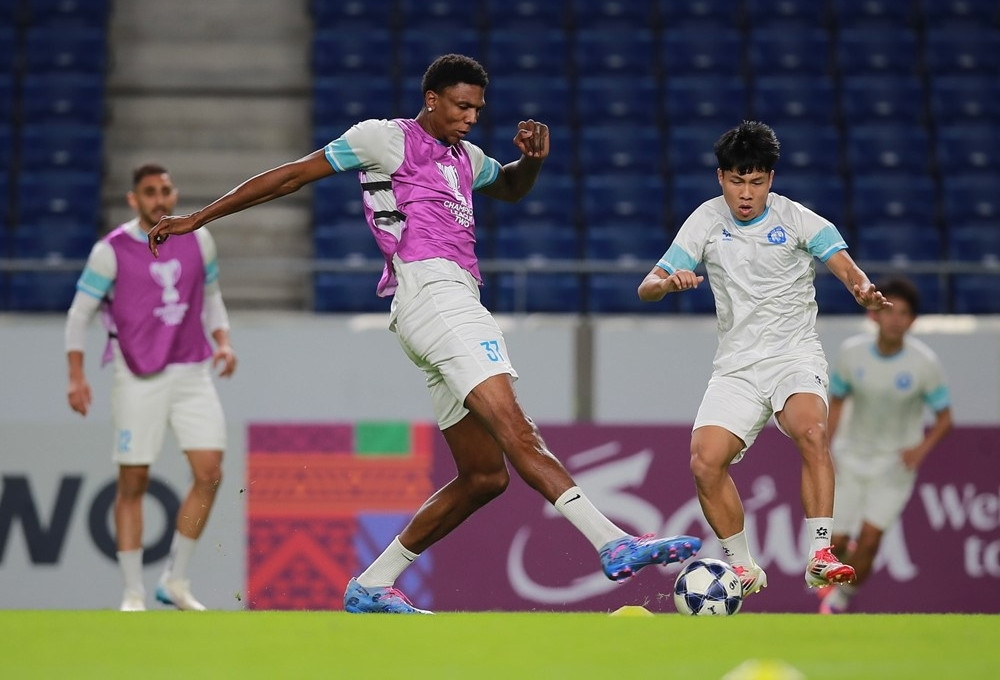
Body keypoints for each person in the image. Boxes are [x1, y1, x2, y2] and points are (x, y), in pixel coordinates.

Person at [146, 54, 700, 614]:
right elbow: (292, 175)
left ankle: (372, 584)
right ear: (431, 99)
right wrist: (199, 218)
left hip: (444, 304)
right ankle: (611, 542)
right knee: (516, 426)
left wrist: (530, 163)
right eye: (461, 106)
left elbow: (510, 187)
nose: (470, 117)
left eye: (477, 109)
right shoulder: (383, 139)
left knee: (485, 476)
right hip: (435, 295)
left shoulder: (467, 157)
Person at [637, 120, 891, 598]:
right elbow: (646, 287)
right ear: (721, 177)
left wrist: (863, 290)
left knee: (811, 431)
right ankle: (744, 567)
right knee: (704, 462)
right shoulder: (705, 220)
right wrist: (668, 283)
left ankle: (820, 554)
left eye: (756, 181)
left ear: (771, 178)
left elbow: (848, 269)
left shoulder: (798, 219)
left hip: (794, 355)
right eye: (737, 181)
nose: (746, 193)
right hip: (736, 367)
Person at [66, 163, 237, 611]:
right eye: (149, 192)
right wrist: (76, 375)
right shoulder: (111, 250)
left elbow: (212, 297)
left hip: (192, 370)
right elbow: (79, 314)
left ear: (173, 194)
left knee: (210, 472)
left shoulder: (199, 240)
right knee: (133, 481)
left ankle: (175, 580)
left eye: (165, 190)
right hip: (137, 376)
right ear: (133, 199)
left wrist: (223, 341)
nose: (159, 199)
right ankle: (132, 593)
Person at [819, 276, 952, 614]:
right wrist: (824, 449)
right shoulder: (852, 353)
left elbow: (944, 418)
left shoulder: (924, 364)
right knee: (834, 543)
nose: (895, 319)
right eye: (889, 311)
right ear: (874, 315)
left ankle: (841, 600)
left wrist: (919, 450)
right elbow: (837, 403)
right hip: (850, 456)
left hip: (893, 466)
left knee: (870, 540)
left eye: (904, 313)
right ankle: (838, 578)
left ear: (913, 321)